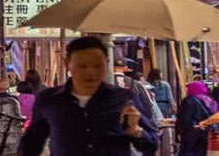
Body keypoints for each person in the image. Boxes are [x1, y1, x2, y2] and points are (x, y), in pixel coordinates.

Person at [18, 36, 159, 156]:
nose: (91, 73)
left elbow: (151, 146)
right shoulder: (49, 99)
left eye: (98, 66)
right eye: (83, 66)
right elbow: (30, 145)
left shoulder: (125, 98)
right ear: (68, 64)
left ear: (107, 64)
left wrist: (135, 131)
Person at [177, 81, 218, 156]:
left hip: (190, 134)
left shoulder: (188, 100)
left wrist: (179, 131)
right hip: (204, 132)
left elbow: (185, 118)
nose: (187, 91)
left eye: (188, 89)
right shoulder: (209, 101)